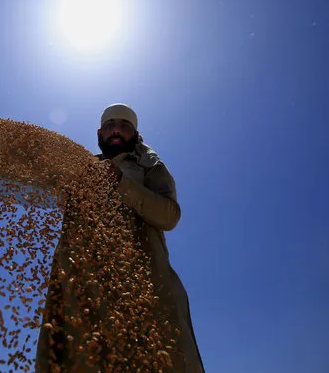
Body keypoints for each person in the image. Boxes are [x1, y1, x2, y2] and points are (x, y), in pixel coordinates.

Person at [36, 103, 205, 372]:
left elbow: (169, 216)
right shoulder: (82, 168)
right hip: (84, 292)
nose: (116, 130)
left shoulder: (148, 166)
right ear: (99, 132)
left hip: (143, 291)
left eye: (125, 125)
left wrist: (120, 182)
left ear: (135, 134)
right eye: (110, 125)